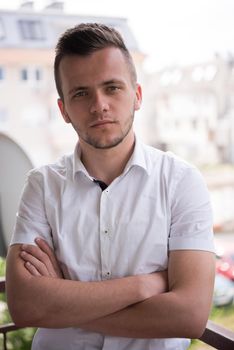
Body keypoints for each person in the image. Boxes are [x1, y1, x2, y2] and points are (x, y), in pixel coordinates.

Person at [6, 23, 215, 350]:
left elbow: (189, 316)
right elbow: (25, 307)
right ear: (63, 110)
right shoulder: (42, 185)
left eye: (112, 87)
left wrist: (62, 302)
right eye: (80, 93)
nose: (99, 104)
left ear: (138, 96)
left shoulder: (181, 182)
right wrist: (144, 286)